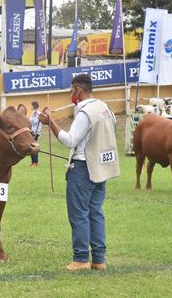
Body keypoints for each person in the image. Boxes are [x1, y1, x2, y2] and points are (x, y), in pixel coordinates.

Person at [38, 74, 120, 271]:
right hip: (100, 168)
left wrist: (52, 123)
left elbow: (70, 141)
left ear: (78, 91)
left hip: (83, 169)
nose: (70, 94)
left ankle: (81, 258)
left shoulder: (85, 113)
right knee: (95, 213)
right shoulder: (105, 107)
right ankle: (99, 260)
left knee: (79, 214)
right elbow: (113, 128)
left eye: (71, 90)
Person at [29, 101, 43, 167]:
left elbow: (35, 122)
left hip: (36, 132)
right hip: (32, 132)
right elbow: (30, 121)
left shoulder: (38, 114)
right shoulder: (33, 113)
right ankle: (33, 162)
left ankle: (36, 162)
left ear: (34, 106)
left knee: (35, 147)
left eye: (31, 105)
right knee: (31, 147)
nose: (30, 107)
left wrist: (37, 133)